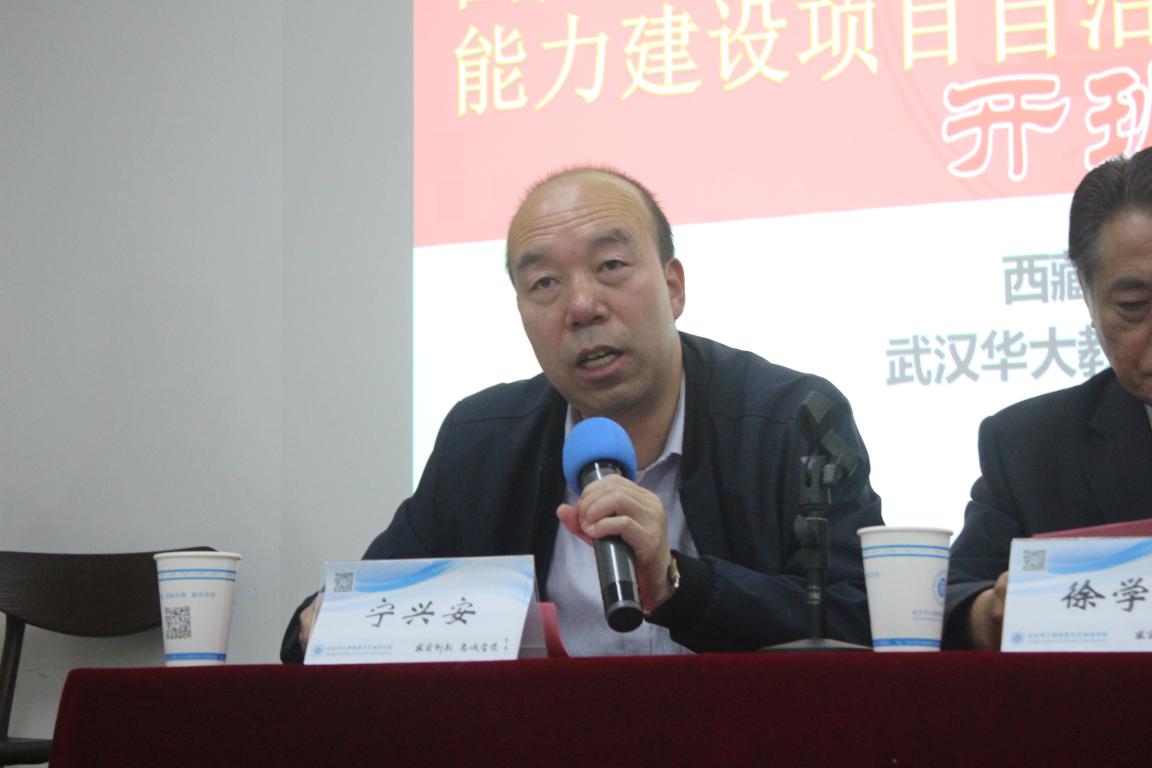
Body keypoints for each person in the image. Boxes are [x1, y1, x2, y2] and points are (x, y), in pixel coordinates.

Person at [281, 167, 883, 661]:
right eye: (544, 283)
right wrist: (324, 622)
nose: (582, 306)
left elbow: (859, 615)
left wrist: (677, 582)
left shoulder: (794, 419)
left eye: (610, 266)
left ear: (673, 286)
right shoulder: (481, 441)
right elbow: (366, 606)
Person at [945, 147, 1152, 650]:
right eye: (1134, 306)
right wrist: (992, 613)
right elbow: (957, 596)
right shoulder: (1030, 447)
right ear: (1087, 293)